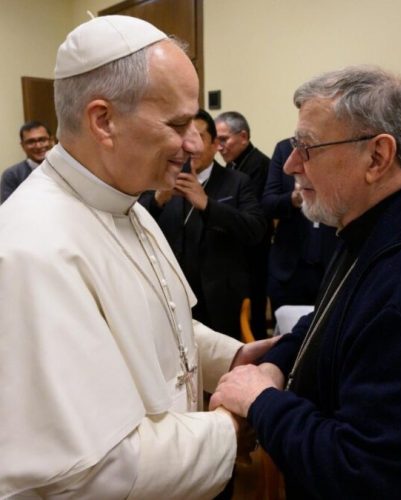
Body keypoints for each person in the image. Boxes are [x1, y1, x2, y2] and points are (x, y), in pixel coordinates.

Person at [0, 15, 276, 500]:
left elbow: (156, 324)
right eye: (178, 124)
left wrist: (230, 356)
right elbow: (98, 470)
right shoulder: (30, 248)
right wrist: (230, 427)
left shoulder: (130, 202)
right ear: (103, 121)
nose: (194, 144)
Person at [210, 66, 401, 499]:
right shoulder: (376, 221)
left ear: (377, 157)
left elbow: (360, 472)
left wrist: (262, 402)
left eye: (306, 147)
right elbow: (328, 317)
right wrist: (276, 363)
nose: (290, 164)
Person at [140, 109, 267, 339]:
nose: (188, 146)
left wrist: (208, 204)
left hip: (221, 299)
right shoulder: (159, 179)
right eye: (182, 138)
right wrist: (158, 200)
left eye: (197, 137)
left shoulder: (237, 181)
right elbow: (135, 223)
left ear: (214, 144)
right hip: (171, 297)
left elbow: (255, 230)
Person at [263, 137, 338, 314]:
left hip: (332, 266)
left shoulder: (339, 146)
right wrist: (293, 199)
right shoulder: (284, 149)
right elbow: (267, 204)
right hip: (289, 270)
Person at [215, 111, 271, 339]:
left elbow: (254, 217)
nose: (219, 147)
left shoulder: (259, 166)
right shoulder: (232, 167)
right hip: (236, 255)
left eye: (224, 139)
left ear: (244, 137)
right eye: (216, 140)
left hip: (254, 254)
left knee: (253, 318)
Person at [1, 120, 52, 203]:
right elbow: (8, 208)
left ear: (51, 141)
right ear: (22, 145)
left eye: (42, 140)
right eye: (31, 142)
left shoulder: (64, 169)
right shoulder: (12, 175)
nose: (38, 146)